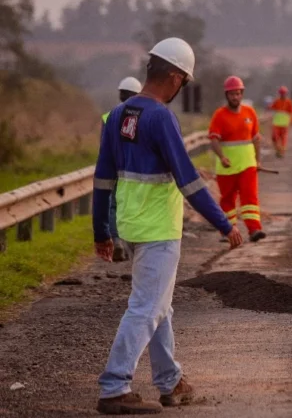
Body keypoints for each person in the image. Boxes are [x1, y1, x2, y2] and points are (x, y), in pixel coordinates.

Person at [92, 37, 244, 415]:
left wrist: (101, 231)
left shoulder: (118, 115)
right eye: (185, 82)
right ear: (175, 77)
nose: (182, 88)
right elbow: (189, 181)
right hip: (159, 230)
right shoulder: (161, 117)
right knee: (147, 307)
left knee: (160, 306)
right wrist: (224, 224)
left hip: (131, 224)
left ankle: (170, 381)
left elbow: (102, 179)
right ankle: (114, 386)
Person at [208, 76, 267, 243]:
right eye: (232, 94)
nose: (235, 97)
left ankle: (254, 229)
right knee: (227, 199)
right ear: (227, 95)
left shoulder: (250, 113)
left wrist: (258, 160)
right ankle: (228, 230)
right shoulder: (219, 115)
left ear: (242, 94)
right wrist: (222, 157)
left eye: (238, 93)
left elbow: (256, 139)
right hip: (227, 166)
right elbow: (213, 139)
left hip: (247, 164)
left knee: (250, 197)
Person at [102, 76, 143, 262]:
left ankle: (117, 241)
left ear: (120, 95)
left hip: (114, 166)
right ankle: (134, 244)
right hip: (137, 170)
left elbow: (103, 146)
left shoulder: (109, 117)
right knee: (134, 205)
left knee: (113, 205)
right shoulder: (144, 116)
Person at [268, 85, 292, 158]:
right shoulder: (277, 101)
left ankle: (281, 152)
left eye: (284, 93)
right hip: (276, 123)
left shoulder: (289, 102)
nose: (282, 95)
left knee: (283, 138)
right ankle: (278, 150)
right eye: (281, 93)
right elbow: (271, 107)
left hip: (284, 124)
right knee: (274, 138)